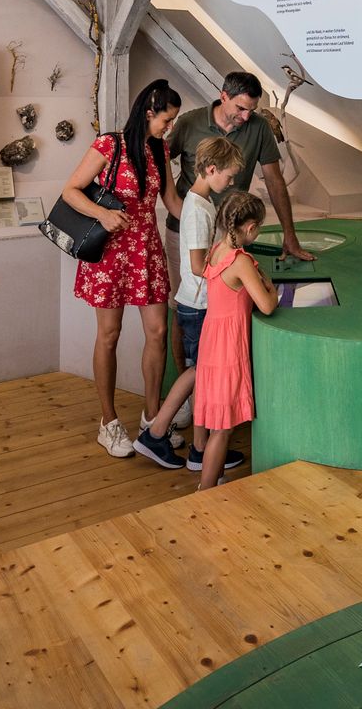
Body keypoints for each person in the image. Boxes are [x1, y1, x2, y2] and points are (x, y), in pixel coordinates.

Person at [61, 78, 184, 458]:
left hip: (147, 249)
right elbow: (71, 190)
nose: (170, 127)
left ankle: (153, 419)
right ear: (148, 113)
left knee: (158, 331)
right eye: (166, 120)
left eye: (173, 121)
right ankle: (109, 422)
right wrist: (102, 214)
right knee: (109, 335)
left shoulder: (161, 150)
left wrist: (208, 222)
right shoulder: (109, 145)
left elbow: (172, 201)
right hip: (110, 251)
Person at [133, 136, 243, 471]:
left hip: (200, 302)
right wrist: (230, 272)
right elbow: (197, 266)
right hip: (198, 304)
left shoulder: (202, 203)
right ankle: (156, 433)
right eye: (229, 175)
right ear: (211, 169)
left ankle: (199, 449)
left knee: (202, 374)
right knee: (198, 372)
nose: (231, 182)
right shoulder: (196, 209)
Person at [167, 70, 316, 262]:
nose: (246, 117)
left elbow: (274, 181)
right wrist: (177, 208)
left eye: (251, 110)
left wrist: (289, 233)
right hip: (185, 228)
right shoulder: (188, 123)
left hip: (230, 232)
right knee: (188, 280)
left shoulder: (260, 127)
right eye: (240, 108)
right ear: (223, 97)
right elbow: (158, 163)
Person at [190, 190, 277, 489]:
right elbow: (266, 305)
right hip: (228, 348)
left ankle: (214, 479)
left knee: (217, 421)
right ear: (250, 227)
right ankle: (205, 489)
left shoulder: (217, 250)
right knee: (222, 429)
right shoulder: (241, 262)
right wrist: (272, 289)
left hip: (212, 342)